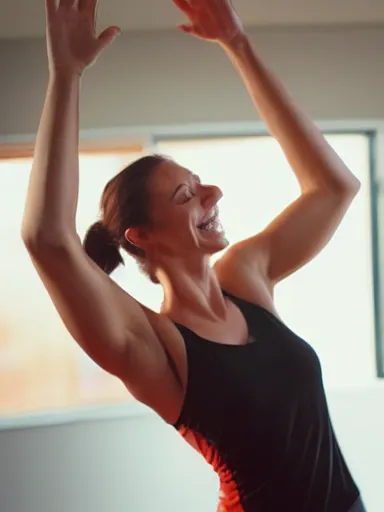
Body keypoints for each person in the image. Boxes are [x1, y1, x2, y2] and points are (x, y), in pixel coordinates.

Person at [21, 0, 366, 511]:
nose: (214, 195)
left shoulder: (246, 278)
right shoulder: (153, 347)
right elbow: (48, 238)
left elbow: (334, 187)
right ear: (142, 237)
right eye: (187, 195)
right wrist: (66, 75)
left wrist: (238, 44)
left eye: (200, 183)